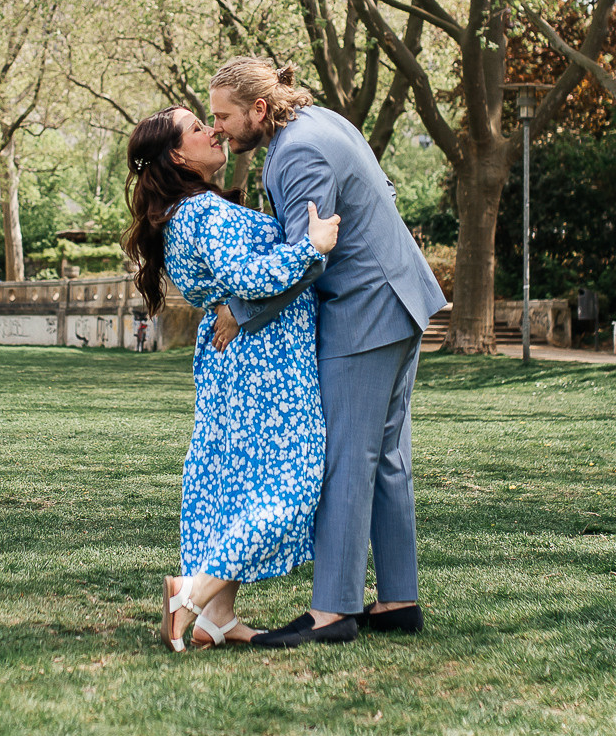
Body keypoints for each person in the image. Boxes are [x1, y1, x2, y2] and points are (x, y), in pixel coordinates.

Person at [208, 57, 448, 648]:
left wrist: (239, 312)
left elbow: (308, 254)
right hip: (398, 300)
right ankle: (397, 601)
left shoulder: (297, 152)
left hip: (366, 312)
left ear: (259, 109)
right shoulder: (320, 121)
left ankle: (333, 612)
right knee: (386, 456)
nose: (219, 130)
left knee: (346, 458)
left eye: (224, 116)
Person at [127, 105, 340, 651]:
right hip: (263, 363)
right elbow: (249, 275)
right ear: (178, 155)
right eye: (199, 127)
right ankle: (192, 595)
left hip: (239, 360)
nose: (213, 130)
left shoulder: (189, 210)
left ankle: (216, 619)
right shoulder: (199, 213)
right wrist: (310, 248)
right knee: (292, 484)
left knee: (232, 488)